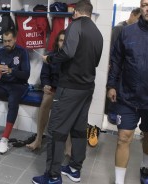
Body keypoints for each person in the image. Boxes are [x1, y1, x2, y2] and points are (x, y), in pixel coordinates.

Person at [32, 1, 103, 184]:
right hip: (87, 88)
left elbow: (68, 52)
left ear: (77, 12)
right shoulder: (97, 32)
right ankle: (74, 169)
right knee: (79, 129)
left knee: (57, 130)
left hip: (70, 88)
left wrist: (50, 58)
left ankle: (53, 176)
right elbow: (95, 61)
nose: (71, 16)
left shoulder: (75, 26)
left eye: (73, 13)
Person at [106, 0, 148, 184]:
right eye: (145, 4)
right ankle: (119, 181)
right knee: (123, 138)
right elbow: (116, 61)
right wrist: (111, 85)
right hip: (128, 96)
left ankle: (145, 167)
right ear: (140, 6)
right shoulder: (127, 31)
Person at [26, 30, 65, 150]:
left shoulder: (72, 58)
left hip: (66, 90)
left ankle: (68, 146)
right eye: (61, 40)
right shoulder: (51, 56)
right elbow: (44, 75)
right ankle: (38, 139)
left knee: (69, 110)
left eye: (65, 41)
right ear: (57, 42)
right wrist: (46, 85)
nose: (63, 43)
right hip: (53, 89)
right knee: (45, 102)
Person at [106, 7, 141, 124]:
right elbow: (112, 50)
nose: (139, 21)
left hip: (127, 71)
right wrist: (110, 63)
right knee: (115, 91)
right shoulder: (119, 29)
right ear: (132, 15)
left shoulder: (137, 31)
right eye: (138, 18)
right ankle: (112, 113)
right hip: (116, 68)